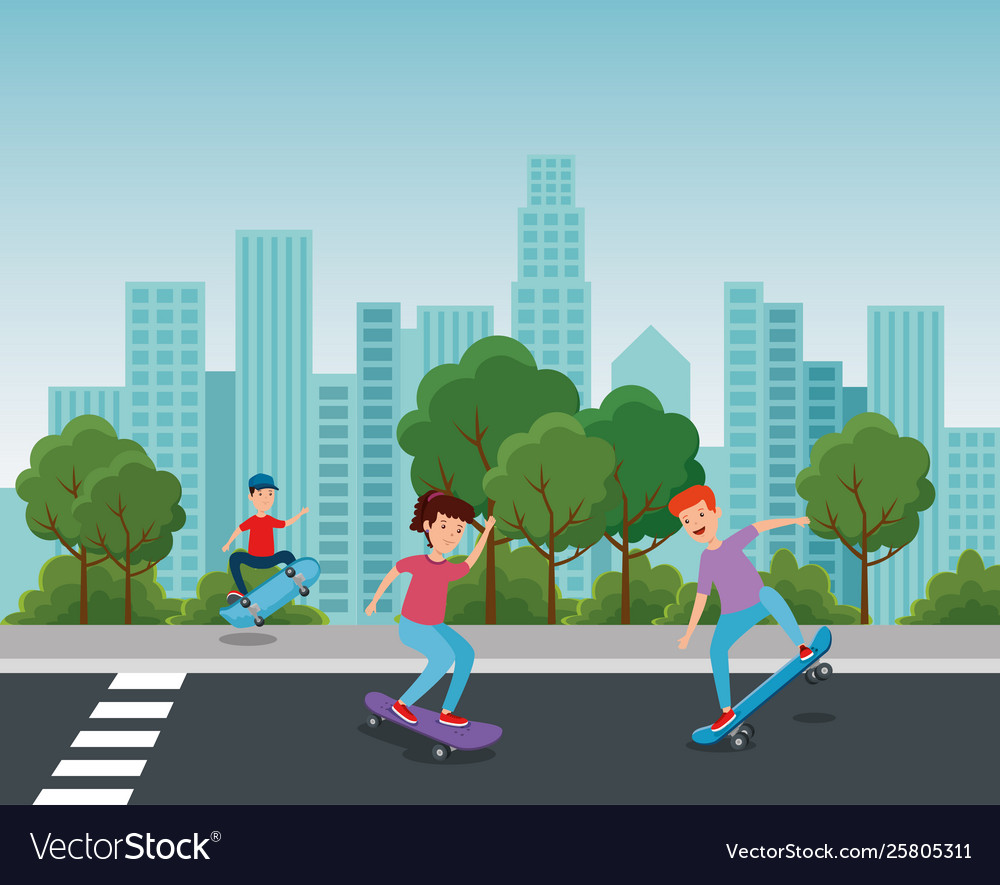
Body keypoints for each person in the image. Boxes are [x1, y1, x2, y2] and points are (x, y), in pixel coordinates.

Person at [671, 484, 814, 733]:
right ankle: (726, 712)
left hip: (758, 602)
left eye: (701, 514)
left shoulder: (733, 542)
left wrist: (794, 520)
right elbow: (701, 598)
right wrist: (689, 633)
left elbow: (762, 526)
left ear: (717, 513)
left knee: (770, 594)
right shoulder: (706, 560)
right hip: (732, 616)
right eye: (687, 520)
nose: (696, 524)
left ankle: (802, 648)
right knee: (716, 650)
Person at [365, 490, 495, 727]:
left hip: (435, 625)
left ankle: (447, 712)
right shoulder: (417, 562)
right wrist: (375, 601)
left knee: (466, 653)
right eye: (444, 526)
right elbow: (393, 573)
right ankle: (402, 704)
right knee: (443, 657)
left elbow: (471, 561)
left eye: (458, 530)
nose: (451, 536)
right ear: (428, 526)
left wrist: (485, 531)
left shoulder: (449, 568)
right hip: (412, 626)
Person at [222, 473, 308, 604]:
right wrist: (228, 543)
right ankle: (244, 594)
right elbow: (238, 530)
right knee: (235, 558)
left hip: (270, 559)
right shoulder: (251, 521)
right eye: (261, 494)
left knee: (286, 555)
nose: (266, 499)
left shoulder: (270, 520)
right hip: (254, 559)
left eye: (270, 494)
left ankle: (297, 578)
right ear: (251, 497)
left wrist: (300, 514)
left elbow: (285, 523)